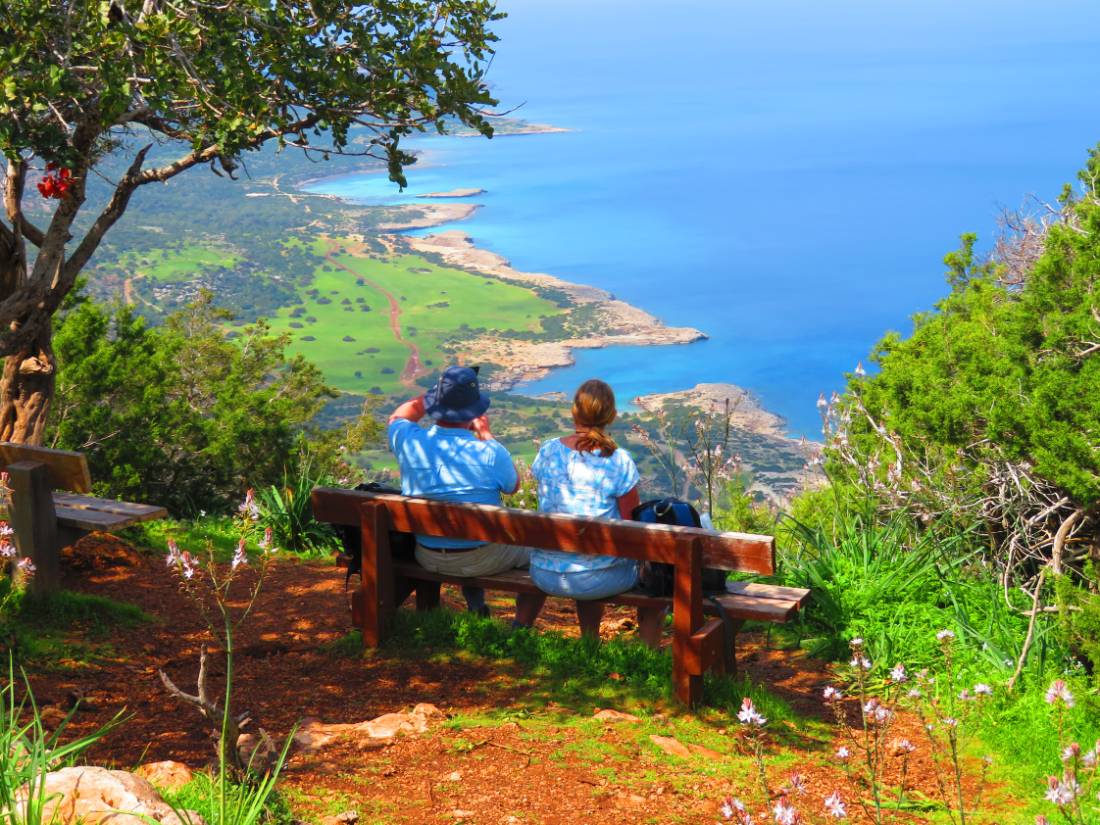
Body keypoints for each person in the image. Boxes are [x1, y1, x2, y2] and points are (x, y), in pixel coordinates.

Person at [514, 379, 663, 644]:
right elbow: (633, 528)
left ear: (574, 413)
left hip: (544, 572)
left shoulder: (548, 450)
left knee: (589, 556)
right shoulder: (618, 460)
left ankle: (576, 641)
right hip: (597, 578)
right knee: (659, 579)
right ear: (612, 416)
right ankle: (647, 655)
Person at [388, 364, 537, 617]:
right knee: (538, 546)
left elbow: (397, 417)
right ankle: (521, 626)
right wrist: (486, 435)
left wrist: (436, 395)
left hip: (427, 553)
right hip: (482, 558)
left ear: (436, 404)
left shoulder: (410, 441)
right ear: (475, 411)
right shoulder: (490, 452)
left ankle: (476, 606)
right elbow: (514, 487)